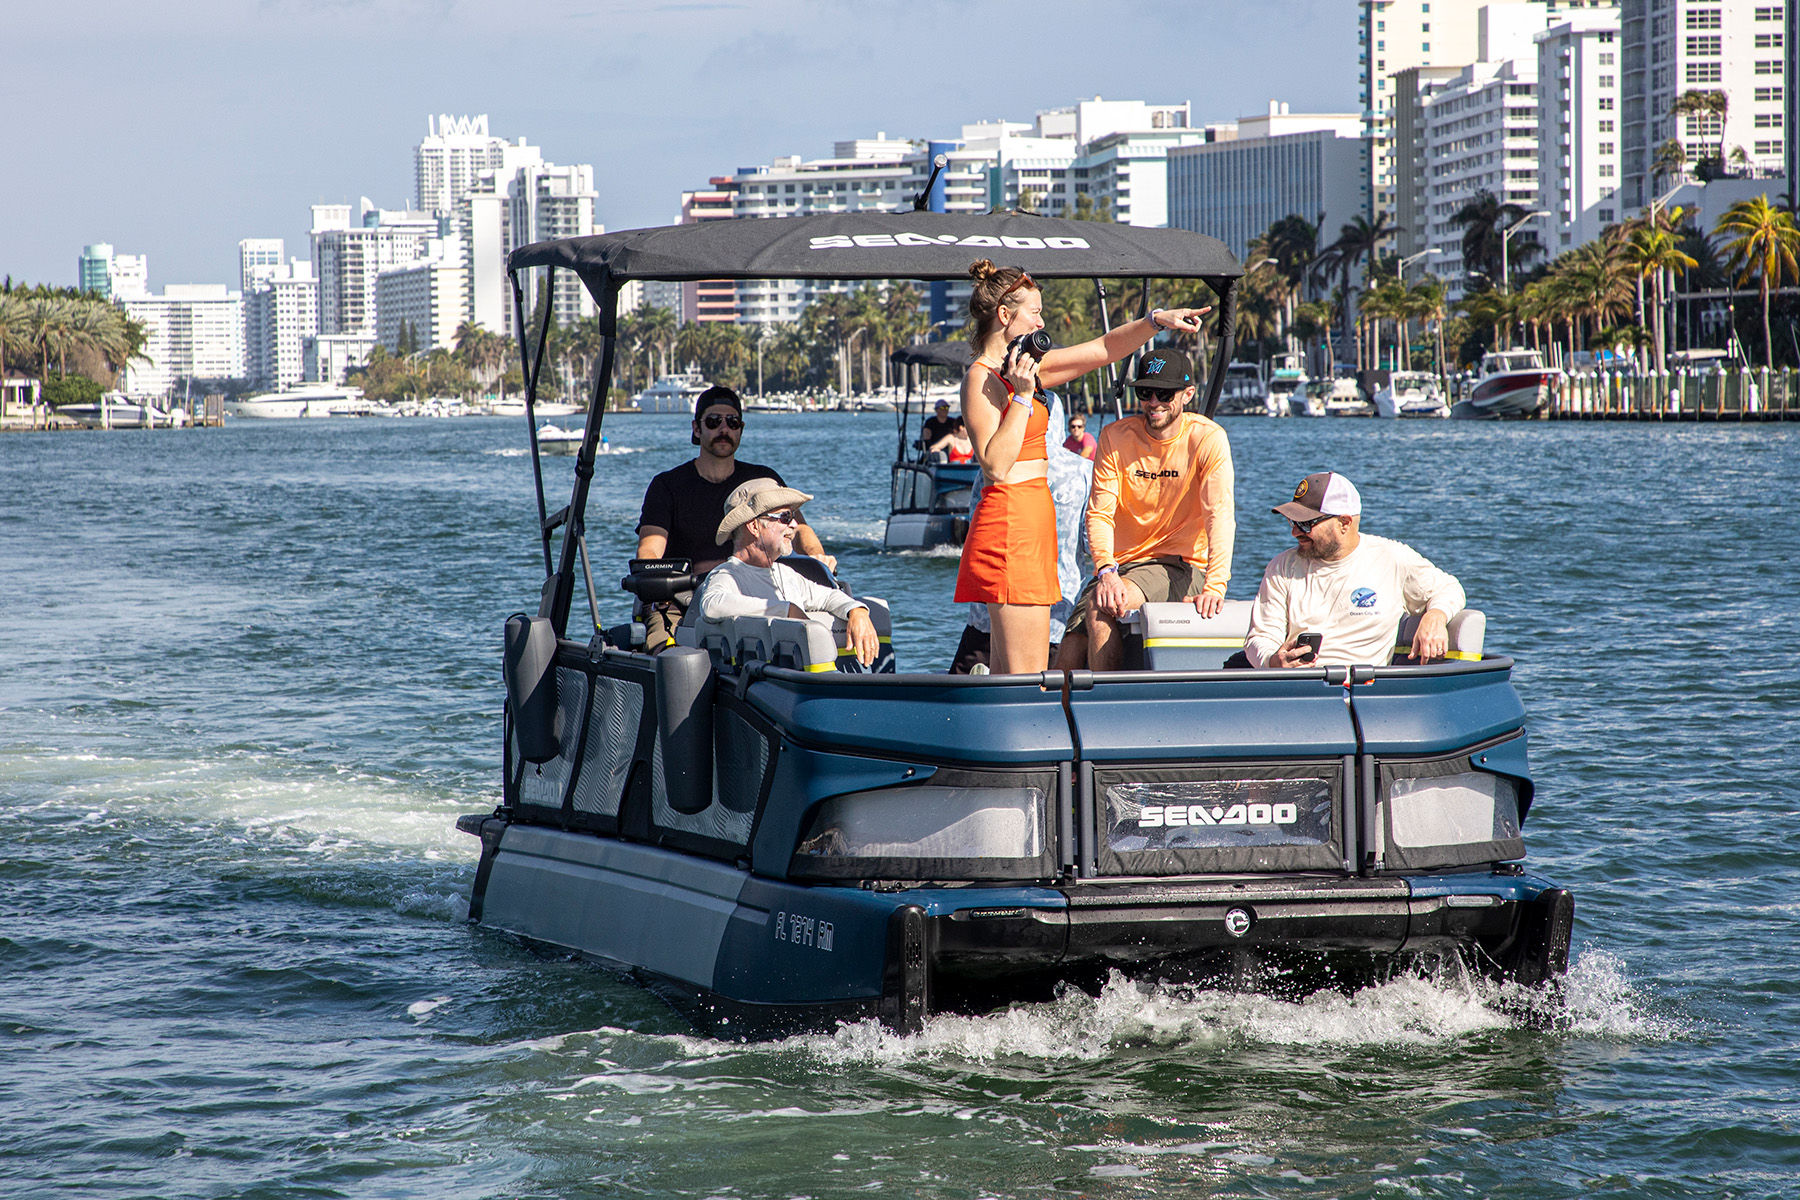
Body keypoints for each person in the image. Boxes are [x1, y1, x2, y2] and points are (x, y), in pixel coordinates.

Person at [954, 259, 1211, 674]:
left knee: (1014, 677)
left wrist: (1155, 321)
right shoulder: (982, 379)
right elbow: (995, 465)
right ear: (1005, 315)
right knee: (1029, 680)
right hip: (1009, 522)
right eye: (1034, 312)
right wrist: (1021, 396)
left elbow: (1102, 350)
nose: (1042, 322)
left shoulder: (1026, 369)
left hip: (1036, 520)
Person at [1056, 349, 1235, 671]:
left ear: (1188, 394)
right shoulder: (1115, 436)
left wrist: (1215, 586)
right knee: (1069, 648)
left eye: (1164, 393)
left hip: (1180, 565)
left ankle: (1105, 712)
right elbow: (1099, 513)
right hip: (1121, 567)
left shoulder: (1208, 439)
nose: (1153, 402)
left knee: (1102, 606)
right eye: (1144, 392)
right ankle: (1058, 718)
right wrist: (1106, 570)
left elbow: (1219, 515)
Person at [635, 385, 832, 649]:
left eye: (733, 422)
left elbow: (798, 528)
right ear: (697, 428)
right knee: (667, 658)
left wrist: (817, 557)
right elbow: (649, 551)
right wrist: (654, 580)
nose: (724, 429)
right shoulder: (666, 486)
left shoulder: (763, 480)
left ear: (741, 429)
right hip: (679, 603)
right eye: (714, 421)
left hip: (751, 593)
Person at [1245, 471, 1464, 669]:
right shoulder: (1281, 567)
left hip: (1365, 692)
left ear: (1344, 523)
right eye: (1292, 521)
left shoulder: (1392, 558)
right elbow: (1261, 637)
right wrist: (1273, 662)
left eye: (1305, 524)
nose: (1294, 532)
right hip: (1300, 691)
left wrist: (1435, 615)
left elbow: (1449, 588)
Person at [693, 479, 879, 667]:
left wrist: (857, 611)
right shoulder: (727, 574)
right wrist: (786, 610)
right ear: (754, 527)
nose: (795, 525)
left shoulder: (786, 574)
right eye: (785, 517)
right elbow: (712, 605)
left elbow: (828, 596)